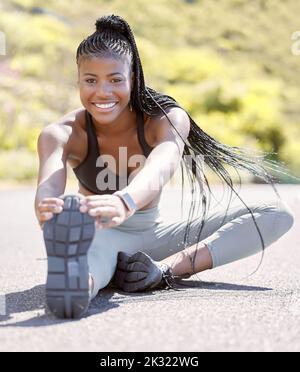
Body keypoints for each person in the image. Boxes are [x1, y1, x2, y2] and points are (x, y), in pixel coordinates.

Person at [35, 15, 295, 319]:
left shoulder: (165, 119)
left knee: (277, 214)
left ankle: (163, 271)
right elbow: (48, 185)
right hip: (100, 233)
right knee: (82, 236)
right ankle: (75, 287)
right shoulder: (61, 132)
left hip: (157, 238)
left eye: (115, 80)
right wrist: (46, 210)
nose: (102, 92)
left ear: (134, 78)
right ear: (78, 80)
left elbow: (162, 165)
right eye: (90, 80)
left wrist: (125, 201)